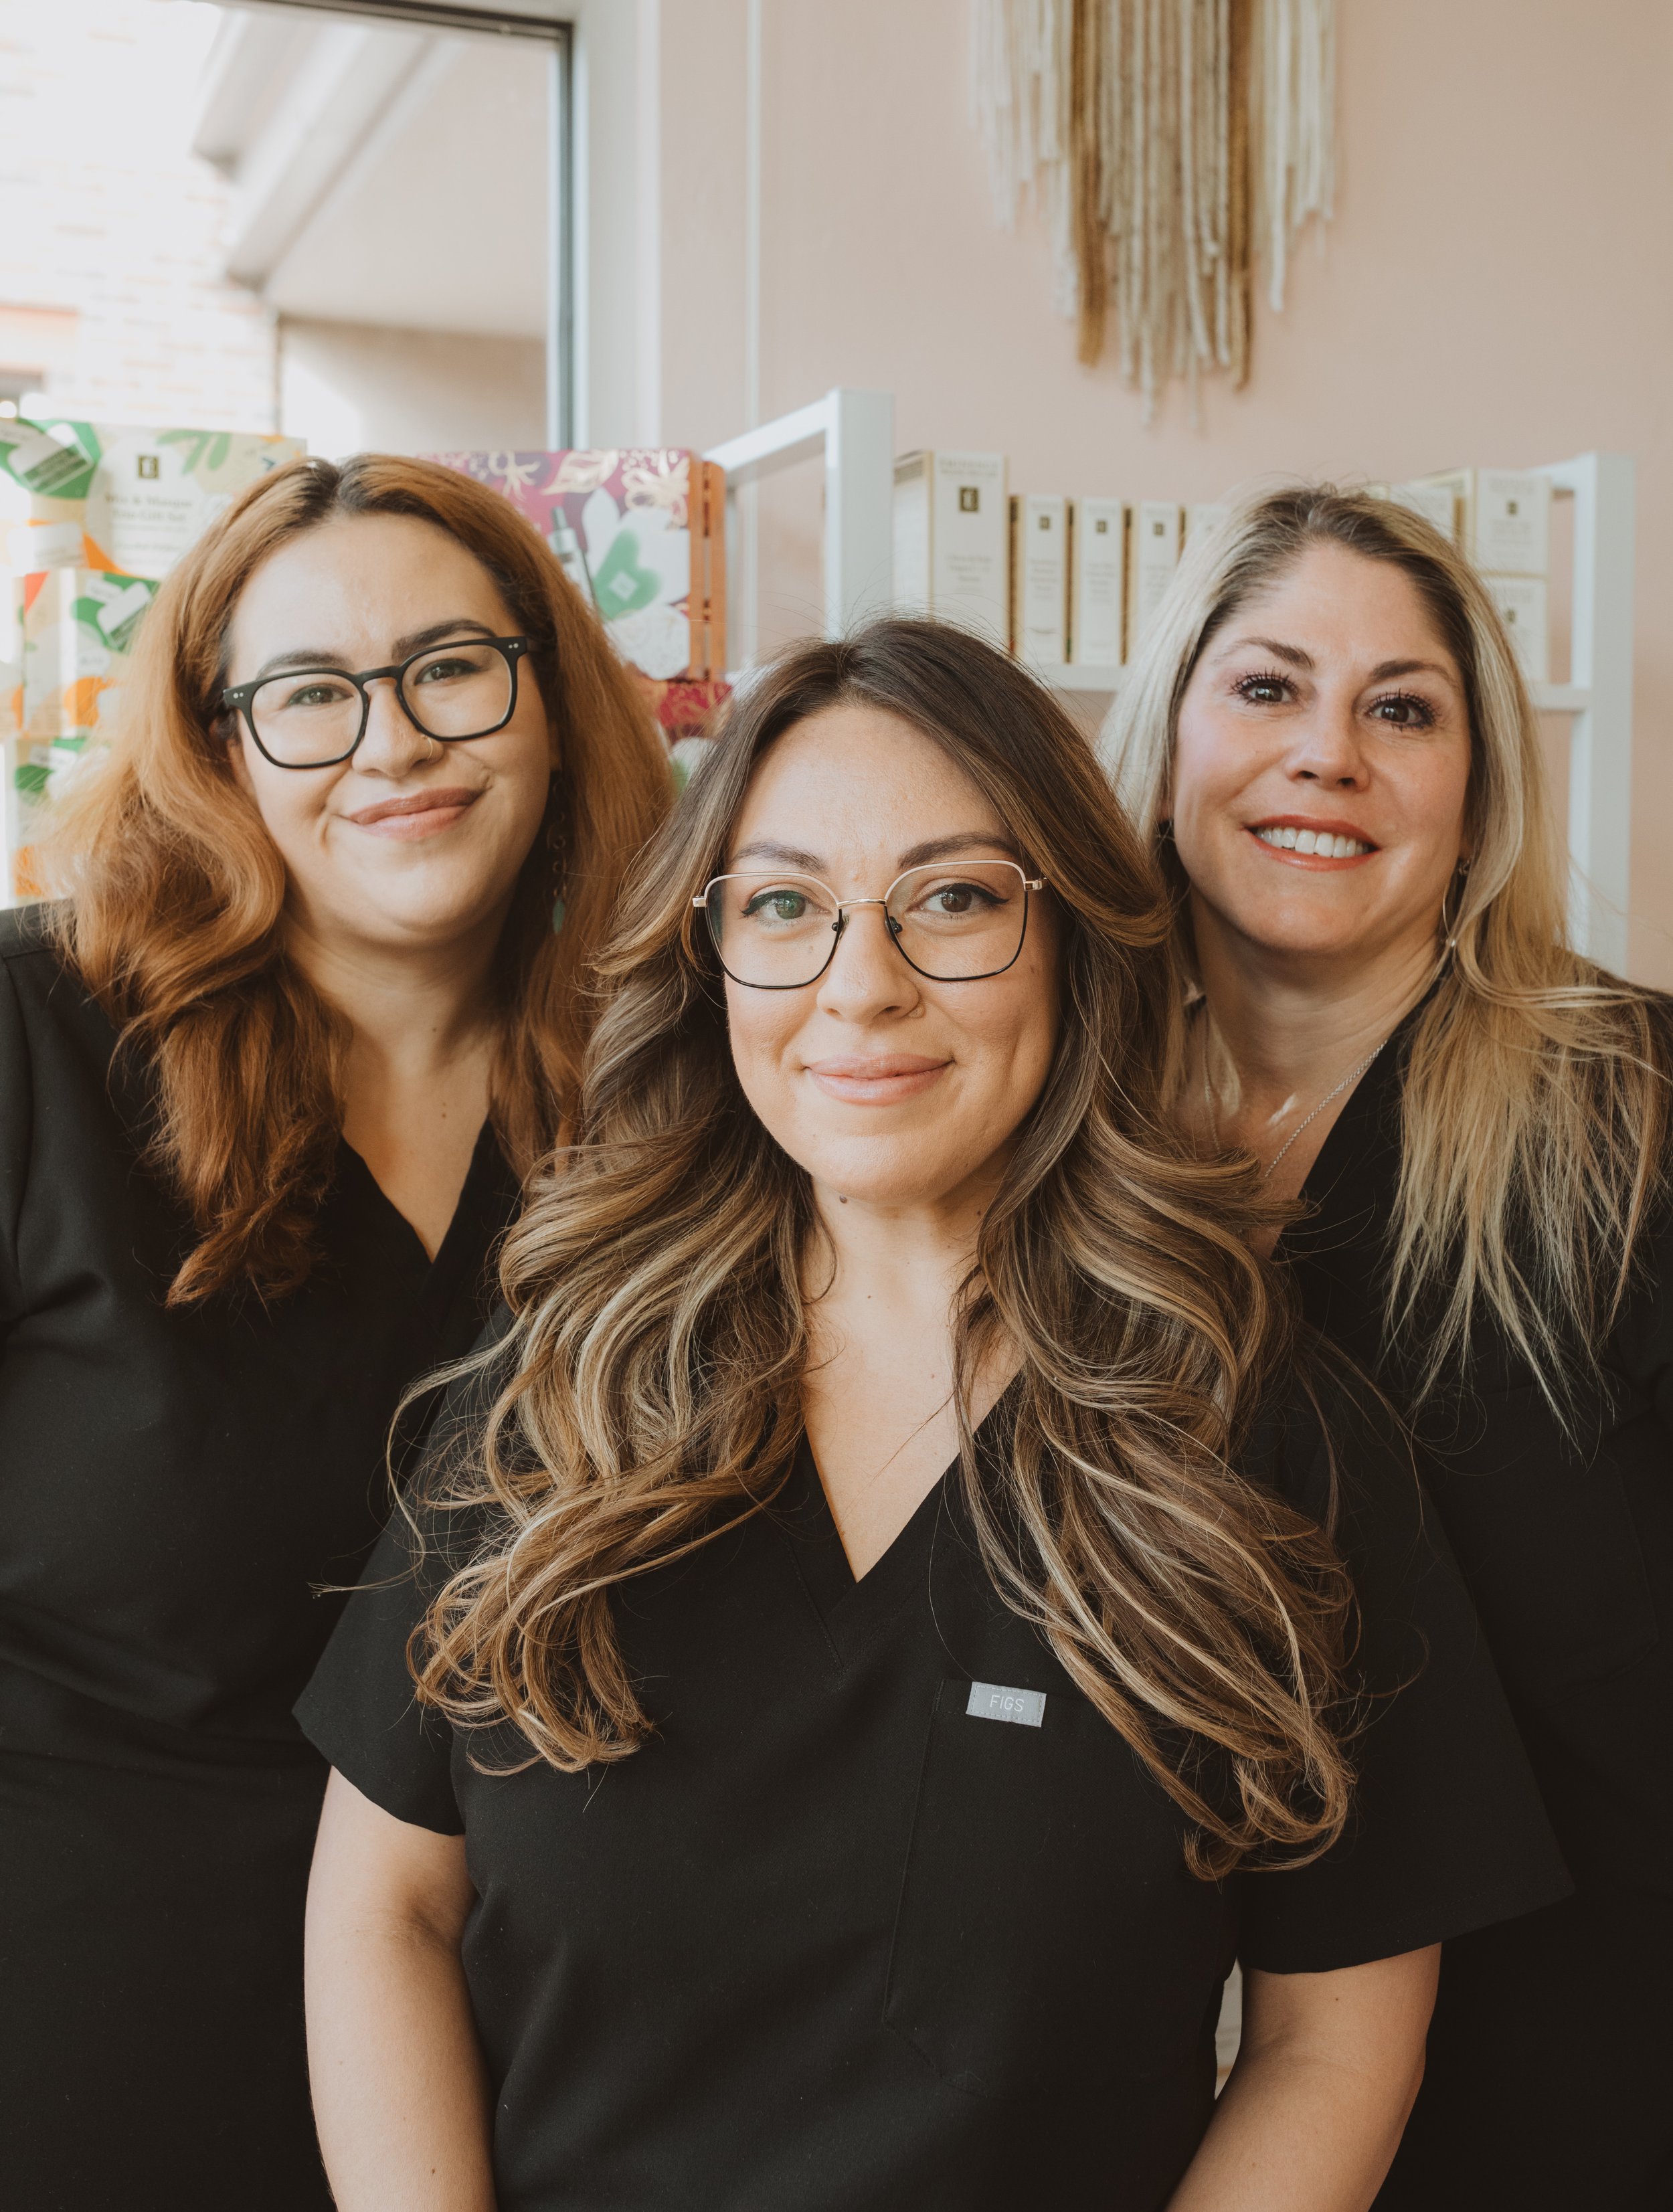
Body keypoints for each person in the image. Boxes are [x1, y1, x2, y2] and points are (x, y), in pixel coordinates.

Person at [298, 618, 1566, 2212]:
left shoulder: (1265, 1440)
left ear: (1074, 941)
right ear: (709, 960)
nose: (861, 987)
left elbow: (1336, 2037)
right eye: (783, 907)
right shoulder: (558, 1384)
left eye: (952, 900)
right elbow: (382, 1907)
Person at [0, 453, 670, 2209]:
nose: (392, 743)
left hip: (528, 2063)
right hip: (83, 2045)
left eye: (452, 665)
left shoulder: (671, 1116)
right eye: (308, 694)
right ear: (219, 748)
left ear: (550, 693)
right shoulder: (36, 1044)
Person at [1107, 484, 1673, 2210]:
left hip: (1589, 2057)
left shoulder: (1633, 1112)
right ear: (1171, 731)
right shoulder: (1067, 1145)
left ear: (1474, 785)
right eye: (1267, 688)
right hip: (1169, 2069)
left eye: (1399, 709)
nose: (1326, 757)